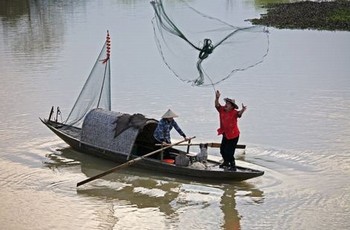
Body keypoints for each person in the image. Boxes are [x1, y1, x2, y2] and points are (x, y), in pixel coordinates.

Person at [215, 90, 247, 171]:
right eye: (226, 103)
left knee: (229, 152)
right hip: (225, 134)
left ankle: (233, 166)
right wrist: (217, 97)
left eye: (228, 104)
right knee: (222, 150)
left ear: (232, 106)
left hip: (234, 135)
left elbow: (239, 114)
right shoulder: (222, 110)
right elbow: (216, 105)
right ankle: (226, 162)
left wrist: (243, 110)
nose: (226, 105)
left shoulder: (234, 112)